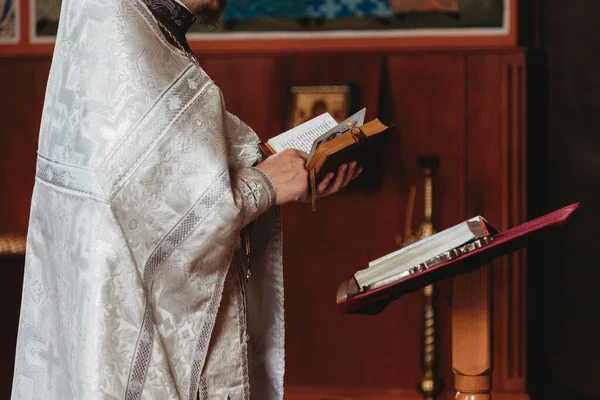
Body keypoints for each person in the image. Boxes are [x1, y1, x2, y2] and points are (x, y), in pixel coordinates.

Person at [10, 0, 361, 399]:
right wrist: (264, 185)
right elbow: (153, 216)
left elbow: (179, 171)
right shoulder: (125, 50)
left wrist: (289, 171)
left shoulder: (133, 37)